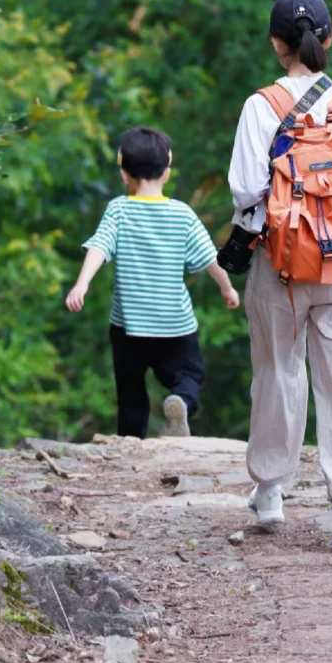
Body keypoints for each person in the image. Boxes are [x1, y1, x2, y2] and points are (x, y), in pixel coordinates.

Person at [227, 0, 332, 551]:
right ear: (329, 39)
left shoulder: (259, 107)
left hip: (281, 265)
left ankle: (270, 493)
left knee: (277, 372)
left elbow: (247, 191)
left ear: (276, 43)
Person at [66, 125, 239, 439]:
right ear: (167, 172)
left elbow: (99, 246)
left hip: (128, 326)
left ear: (124, 174)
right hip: (173, 324)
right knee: (189, 374)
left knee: (131, 391)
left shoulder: (119, 210)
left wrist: (82, 284)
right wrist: (227, 288)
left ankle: (130, 442)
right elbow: (211, 257)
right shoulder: (183, 214)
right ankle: (182, 403)